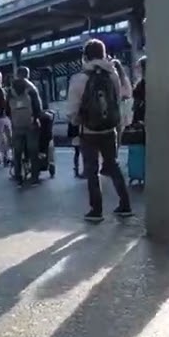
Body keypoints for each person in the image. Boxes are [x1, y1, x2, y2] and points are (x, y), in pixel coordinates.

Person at [67, 38, 133, 222]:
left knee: (92, 170)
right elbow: (118, 99)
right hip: (110, 128)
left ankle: (96, 210)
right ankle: (125, 205)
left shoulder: (80, 78)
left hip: (88, 131)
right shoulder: (113, 75)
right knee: (113, 165)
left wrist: (76, 119)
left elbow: (72, 109)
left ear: (85, 56)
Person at [8, 65, 44, 184]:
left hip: (17, 125)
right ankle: (35, 176)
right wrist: (37, 119)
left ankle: (18, 175)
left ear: (17, 74)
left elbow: (6, 108)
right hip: (31, 124)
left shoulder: (10, 90)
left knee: (17, 151)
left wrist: (13, 119)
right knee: (33, 150)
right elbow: (38, 107)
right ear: (27, 75)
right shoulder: (31, 88)